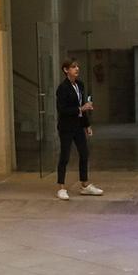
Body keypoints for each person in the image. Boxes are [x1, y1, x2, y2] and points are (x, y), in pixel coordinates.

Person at [54, 57, 103, 200]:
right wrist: (81, 108)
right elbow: (62, 110)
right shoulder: (62, 88)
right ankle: (61, 187)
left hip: (78, 126)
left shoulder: (80, 85)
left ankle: (85, 184)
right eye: (73, 67)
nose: (77, 69)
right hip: (66, 127)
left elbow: (83, 108)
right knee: (65, 156)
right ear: (66, 70)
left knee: (84, 153)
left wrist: (86, 125)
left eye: (77, 66)